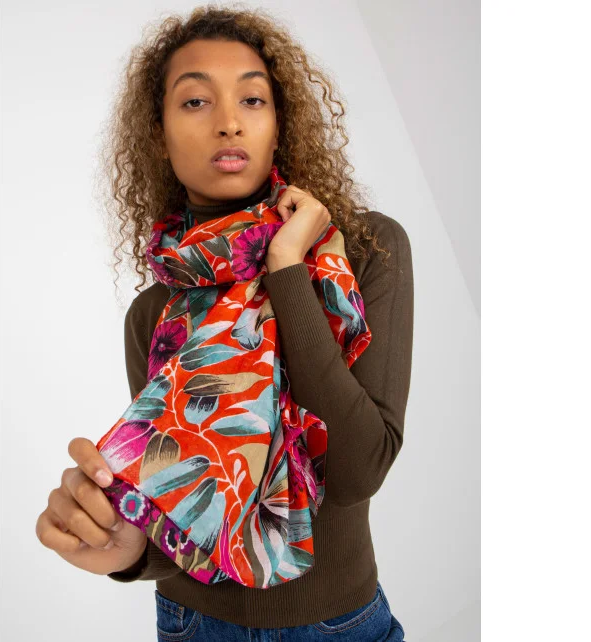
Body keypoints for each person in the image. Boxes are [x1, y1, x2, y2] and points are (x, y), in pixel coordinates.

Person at [35, 5, 413, 640]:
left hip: (340, 624)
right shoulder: (155, 314)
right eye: (195, 102)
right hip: (194, 623)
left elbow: (358, 471)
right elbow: (185, 520)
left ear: (278, 125)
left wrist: (287, 267)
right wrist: (127, 551)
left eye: (253, 99)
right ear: (157, 135)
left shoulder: (366, 250)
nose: (229, 122)